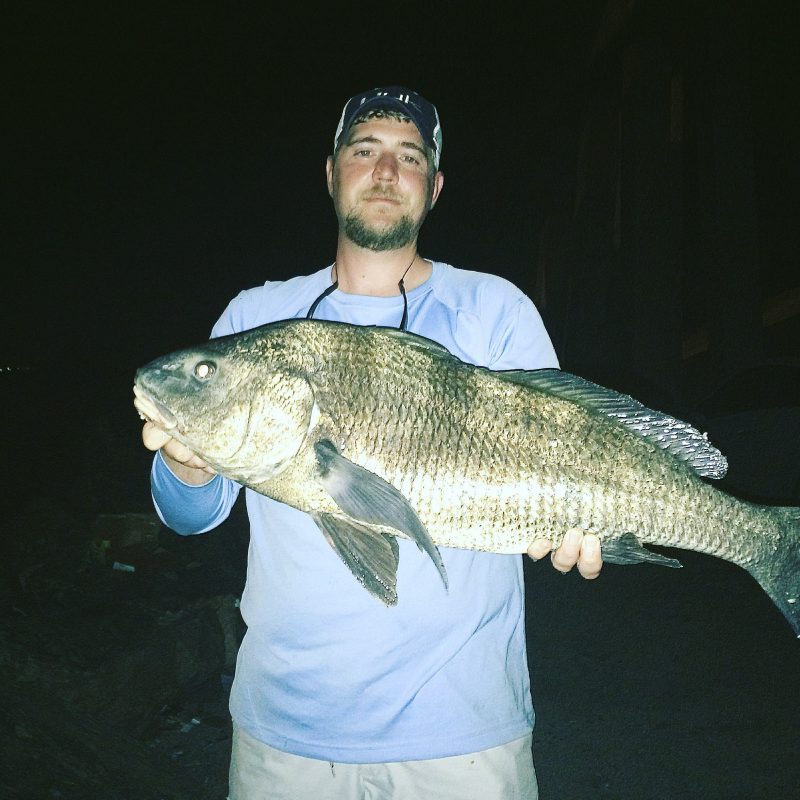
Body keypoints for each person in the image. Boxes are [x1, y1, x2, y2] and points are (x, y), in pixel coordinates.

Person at [137, 86, 603, 800]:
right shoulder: (256, 316)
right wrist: (182, 462)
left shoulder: (494, 309)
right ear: (330, 173)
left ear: (434, 187)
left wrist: (581, 527)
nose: (385, 172)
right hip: (285, 735)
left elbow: (570, 447)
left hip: (463, 734)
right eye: (365, 150)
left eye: (408, 157)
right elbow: (192, 516)